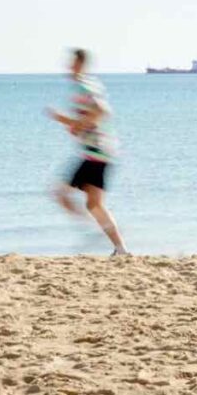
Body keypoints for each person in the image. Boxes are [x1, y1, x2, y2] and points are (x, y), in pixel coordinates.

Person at [47, 49, 129, 256]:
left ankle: (92, 231)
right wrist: (75, 126)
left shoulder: (83, 86)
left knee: (60, 193)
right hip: (103, 151)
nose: (68, 67)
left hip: (95, 151)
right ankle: (121, 249)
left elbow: (102, 111)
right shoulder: (90, 84)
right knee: (94, 204)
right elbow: (89, 119)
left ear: (81, 64)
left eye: (72, 63)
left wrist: (66, 121)